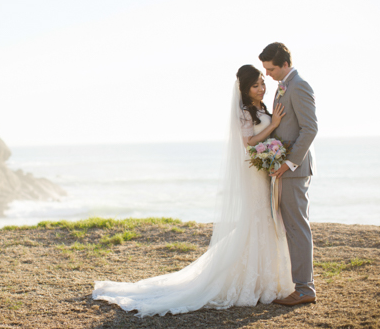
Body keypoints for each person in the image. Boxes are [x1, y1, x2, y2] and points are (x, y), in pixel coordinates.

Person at [92, 64, 294, 317]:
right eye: (256, 85)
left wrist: (273, 147)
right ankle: (251, 280)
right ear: (244, 89)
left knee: (266, 218)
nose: (262, 88)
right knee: (257, 218)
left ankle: (266, 278)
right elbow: (248, 142)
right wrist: (273, 126)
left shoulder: (261, 108)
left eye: (263, 83)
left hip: (262, 170)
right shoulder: (243, 112)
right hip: (253, 173)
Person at [259, 42, 318, 306]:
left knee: (297, 227)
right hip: (283, 168)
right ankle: (300, 284)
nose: (268, 75)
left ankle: (305, 289)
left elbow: (310, 129)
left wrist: (289, 163)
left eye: (271, 69)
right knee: (290, 226)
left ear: (284, 64)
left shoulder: (300, 85)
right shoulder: (283, 86)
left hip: (294, 170)